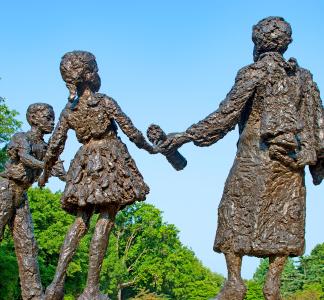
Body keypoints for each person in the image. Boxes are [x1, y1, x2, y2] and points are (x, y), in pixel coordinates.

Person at [156, 17, 324, 300]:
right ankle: (273, 285)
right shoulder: (304, 77)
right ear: (288, 42)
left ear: (256, 43)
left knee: (234, 213)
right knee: (282, 219)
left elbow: (225, 116)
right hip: (289, 161)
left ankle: (234, 282)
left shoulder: (253, 73)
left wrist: (185, 135)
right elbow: (318, 122)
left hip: (253, 159)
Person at [38, 51, 156, 300]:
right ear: (90, 74)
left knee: (80, 221)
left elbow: (55, 146)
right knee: (105, 218)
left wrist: (44, 174)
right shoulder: (105, 102)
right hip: (108, 162)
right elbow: (132, 132)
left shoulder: (68, 111)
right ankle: (91, 290)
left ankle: (55, 286)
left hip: (84, 164)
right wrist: (152, 148)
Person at [0, 103, 66, 300]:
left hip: (21, 196)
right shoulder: (22, 138)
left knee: (27, 243)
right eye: (47, 118)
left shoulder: (47, 148)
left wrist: (73, 177)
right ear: (34, 119)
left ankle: (33, 295)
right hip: (5, 189)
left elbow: (60, 171)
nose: (52, 122)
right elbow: (25, 157)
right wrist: (47, 165)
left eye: (53, 118)